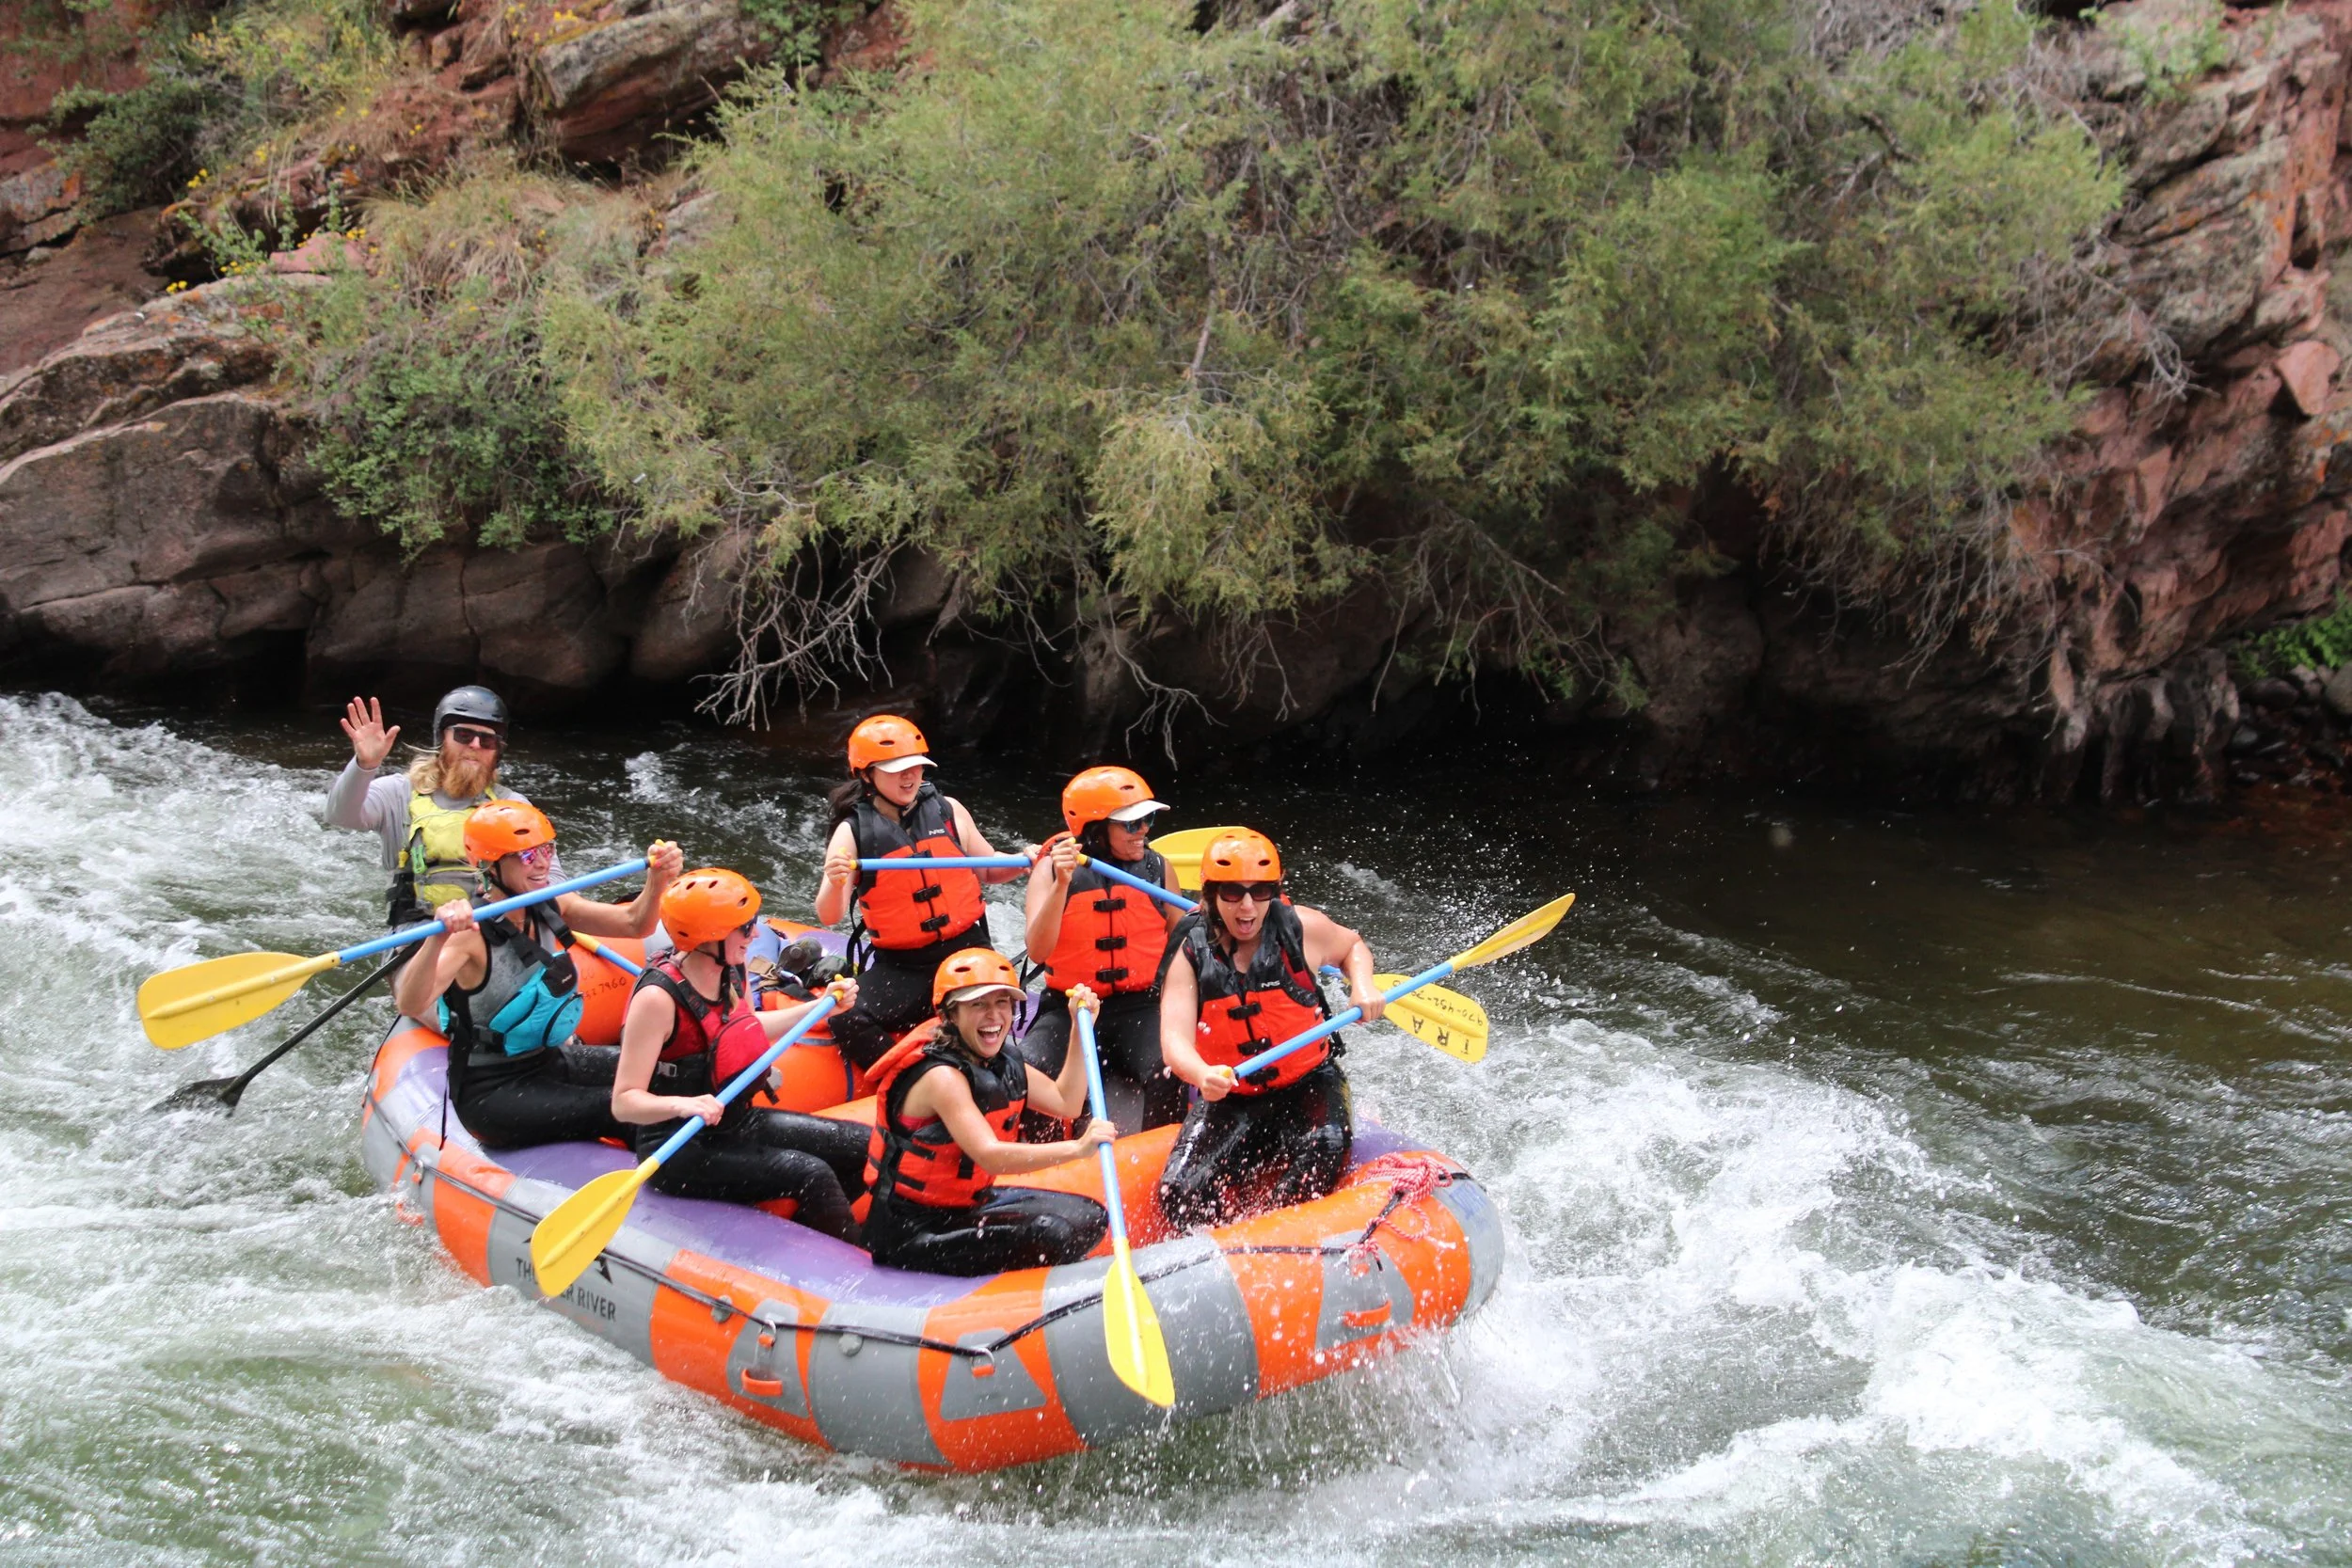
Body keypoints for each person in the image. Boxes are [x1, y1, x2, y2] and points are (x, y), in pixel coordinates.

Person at [390, 802, 682, 1150]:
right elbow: (410, 1003)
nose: (543, 863)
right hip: (493, 1091)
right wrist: (437, 937)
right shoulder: (469, 936)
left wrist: (657, 880)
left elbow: (636, 924)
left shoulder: (551, 904)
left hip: (548, 1060)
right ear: (490, 865)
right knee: (624, 1109)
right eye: (527, 856)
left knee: (667, 1074)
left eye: (547, 849)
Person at [612, 868, 868, 1242]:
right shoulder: (657, 999)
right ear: (709, 936)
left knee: (861, 1146)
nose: (754, 933)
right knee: (810, 1173)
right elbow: (624, 1102)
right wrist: (685, 1105)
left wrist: (821, 1009)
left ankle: (816, 1234)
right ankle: (844, 1258)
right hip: (679, 1146)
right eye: (745, 927)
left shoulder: (731, 969)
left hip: (736, 1122)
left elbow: (747, 1027)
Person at [1155, 829, 1384, 1228]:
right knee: (1178, 1191)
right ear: (1210, 895)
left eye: (1260, 892)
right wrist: (1201, 1074)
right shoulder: (1189, 950)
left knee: (1325, 1145)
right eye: (1232, 893)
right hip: (1234, 1097)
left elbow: (1352, 946)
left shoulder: (1302, 928)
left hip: (1308, 1083)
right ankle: (1221, 1247)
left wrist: (1362, 984)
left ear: (1274, 892)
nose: (1247, 907)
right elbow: (1174, 1039)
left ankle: (1273, 1233)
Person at [862, 950, 1113, 1275]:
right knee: (1055, 1234)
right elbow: (990, 1156)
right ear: (950, 1014)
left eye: (1002, 1003)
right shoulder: (941, 1077)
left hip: (965, 1206)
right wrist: (1077, 1149)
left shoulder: (1001, 1062)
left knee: (1089, 1216)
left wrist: (1081, 1033)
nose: (994, 1016)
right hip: (910, 1231)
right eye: (978, 1004)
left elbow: (1066, 1102)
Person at [812, 715, 1030, 1071]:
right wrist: (836, 881)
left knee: (982, 1015)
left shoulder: (949, 810)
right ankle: (910, 1080)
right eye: (897, 769)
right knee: (846, 1015)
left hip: (968, 951)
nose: (910, 776)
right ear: (867, 775)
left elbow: (989, 868)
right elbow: (829, 915)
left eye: (915, 766)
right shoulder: (852, 833)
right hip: (905, 966)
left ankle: (993, 1071)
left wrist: (1025, 861)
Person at [1023, 766, 1185, 1132]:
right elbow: (1038, 950)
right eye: (1131, 824)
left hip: (1141, 1006)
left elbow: (1184, 947)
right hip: (1071, 1006)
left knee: (1169, 1069)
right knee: (1027, 1073)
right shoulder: (1050, 870)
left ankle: (1158, 1160)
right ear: (1095, 830)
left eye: (1146, 822)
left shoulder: (1159, 868)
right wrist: (1061, 885)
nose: (1143, 831)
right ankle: (1043, 1166)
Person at [329, 688, 527, 927]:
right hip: (415, 938)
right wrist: (365, 765)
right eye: (463, 735)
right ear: (441, 738)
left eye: (487, 740)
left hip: (487, 937)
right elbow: (340, 815)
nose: (475, 745)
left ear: (497, 752)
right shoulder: (399, 792)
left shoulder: (514, 808)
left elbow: (549, 881)